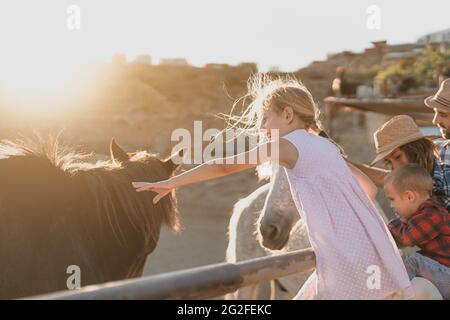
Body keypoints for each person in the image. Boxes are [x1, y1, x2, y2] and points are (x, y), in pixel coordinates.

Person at [132, 75, 413, 299]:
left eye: (265, 118)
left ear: (288, 114)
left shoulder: (288, 145)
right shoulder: (327, 146)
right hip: (373, 251)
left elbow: (224, 165)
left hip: (344, 259)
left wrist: (171, 182)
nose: (261, 128)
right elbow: (368, 189)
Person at [350, 115, 450, 211]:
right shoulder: (405, 185)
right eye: (389, 162)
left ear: (416, 150)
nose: (396, 167)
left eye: (397, 156)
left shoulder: (445, 172)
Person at [384, 164, 450, 299]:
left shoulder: (433, 214)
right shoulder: (426, 213)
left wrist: (388, 228)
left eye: (392, 199)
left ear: (409, 196)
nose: (391, 205)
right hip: (443, 273)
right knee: (417, 258)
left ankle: (394, 295)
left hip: (447, 276)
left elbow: (406, 238)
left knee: (411, 259)